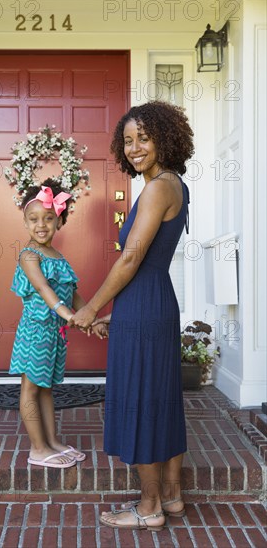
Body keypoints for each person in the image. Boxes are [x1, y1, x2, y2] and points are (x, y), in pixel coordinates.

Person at [72, 101, 194, 530]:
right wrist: (116, 316)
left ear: (164, 137)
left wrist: (91, 308)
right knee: (163, 399)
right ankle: (173, 497)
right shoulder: (173, 184)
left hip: (144, 303)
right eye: (128, 140)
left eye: (144, 137)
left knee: (143, 401)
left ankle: (149, 508)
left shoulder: (159, 187)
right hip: (153, 302)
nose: (135, 147)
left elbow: (131, 260)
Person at [9, 179, 87, 468]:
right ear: (25, 222)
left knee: (46, 387)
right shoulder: (29, 255)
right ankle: (37, 448)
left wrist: (90, 318)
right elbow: (44, 289)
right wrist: (69, 315)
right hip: (35, 331)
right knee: (30, 388)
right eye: (33, 219)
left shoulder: (58, 256)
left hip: (55, 333)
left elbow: (72, 292)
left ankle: (52, 440)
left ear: (59, 220)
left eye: (48, 218)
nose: (41, 225)